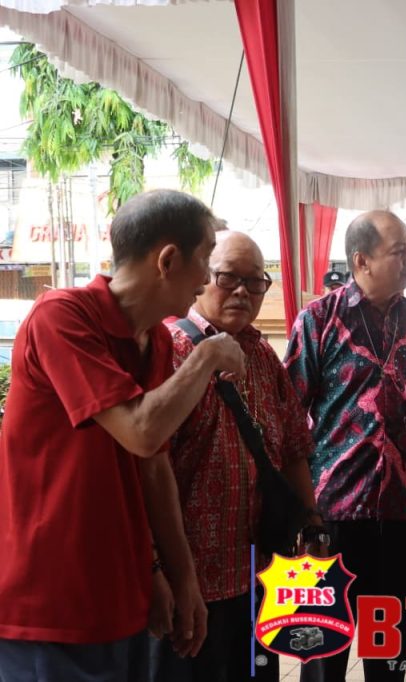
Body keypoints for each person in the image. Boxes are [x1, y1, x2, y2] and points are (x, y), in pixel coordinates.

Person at [0, 190, 246, 680]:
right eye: (205, 259)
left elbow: (154, 465)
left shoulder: (156, 339)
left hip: (122, 590)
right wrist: (206, 355)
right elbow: (140, 431)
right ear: (168, 260)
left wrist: (179, 576)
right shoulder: (60, 316)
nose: (205, 279)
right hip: (49, 602)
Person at [285, 210, 406, 681]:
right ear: (362, 260)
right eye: (400, 251)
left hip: (405, 511)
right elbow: (290, 418)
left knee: (391, 648)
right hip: (332, 514)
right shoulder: (319, 319)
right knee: (322, 650)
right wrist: (300, 509)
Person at [153, 232, 326, 682]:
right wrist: (156, 570)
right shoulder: (168, 350)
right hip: (191, 584)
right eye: (228, 278)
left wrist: (312, 523)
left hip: (259, 573)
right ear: (201, 277)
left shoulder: (263, 354)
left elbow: (294, 447)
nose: (242, 292)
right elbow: (144, 472)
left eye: (255, 282)